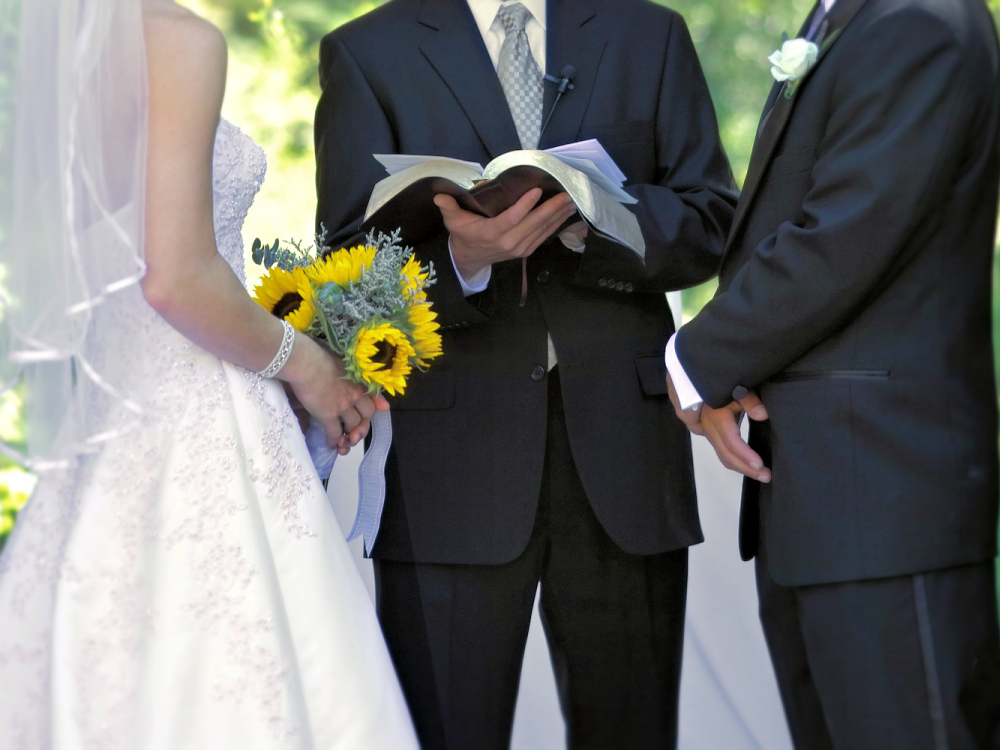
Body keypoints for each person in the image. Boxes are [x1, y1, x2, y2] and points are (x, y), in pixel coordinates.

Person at [314, 0, 737, 747]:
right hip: (447, 468)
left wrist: (587, 222)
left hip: (624, 458)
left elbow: (711, 225)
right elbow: (348, 277)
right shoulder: (365, 51)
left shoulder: (651, 33)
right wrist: (464, 262)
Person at [0, 0, 418, 747]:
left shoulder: (56, 50)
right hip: (201, 405)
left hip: (106, 411)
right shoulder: (177, 39)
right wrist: (309, 366)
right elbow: (178, 278)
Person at [665, 0, 1000, 747]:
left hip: (885, 502)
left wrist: (697, 361)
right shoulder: (845, 17)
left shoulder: (923, 22)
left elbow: (848, 230)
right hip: (821, 503)